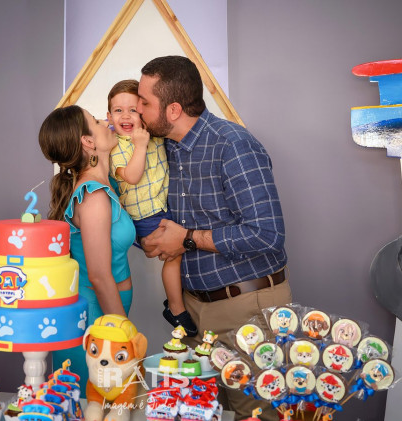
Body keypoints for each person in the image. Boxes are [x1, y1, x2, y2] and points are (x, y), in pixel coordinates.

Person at [137, 55, 292, 421]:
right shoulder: (164, 149)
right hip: (192, 312)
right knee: (196, 411)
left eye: (144, 102)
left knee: (256, 415)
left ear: (173, 110)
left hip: (247, 307)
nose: (138, 109)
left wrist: (188, 238)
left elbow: (267, 233)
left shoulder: (233, 145)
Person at [38, 105, 136, 389]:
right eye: (96, 121)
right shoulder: (93, 197)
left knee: (106, 401)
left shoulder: (104, 186)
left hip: (105, 312)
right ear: (88, 141)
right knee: (92, 400)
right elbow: (99, 276)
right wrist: (125, 337)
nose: (106, 121)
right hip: (95, 317)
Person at [107, 79, 197, 336]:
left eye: (133, 110)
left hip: (165, 206)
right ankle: (176, 308)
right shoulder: (116, 147)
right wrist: (140, 145)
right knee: (174, 255)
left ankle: (181, 298)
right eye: (118, 110)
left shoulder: (153, 134)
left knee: (182, 251)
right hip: (144, 214)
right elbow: (132, 176)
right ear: (109, 117)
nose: (126, 116)